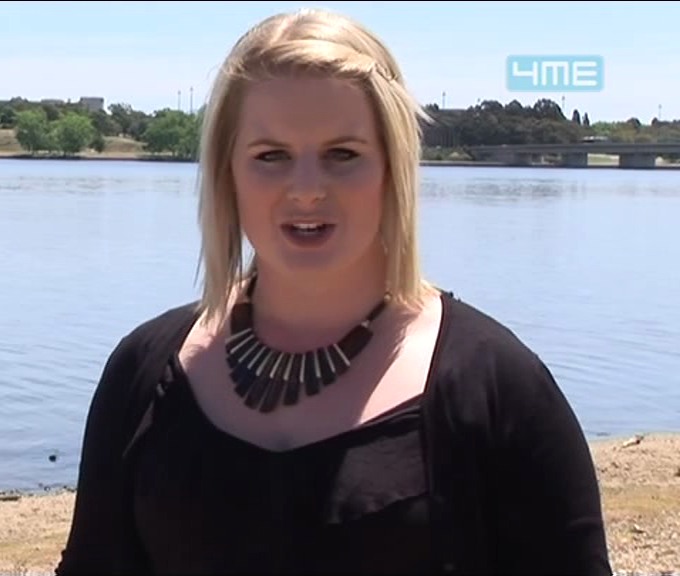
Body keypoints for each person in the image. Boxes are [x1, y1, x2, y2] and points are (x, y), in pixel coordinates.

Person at [55, 7, 611, 575]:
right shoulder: (143, 371)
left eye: (342, 154)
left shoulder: (498, 388)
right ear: (228, 173)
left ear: (392, 167)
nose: (306, 189)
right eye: (271, 156)